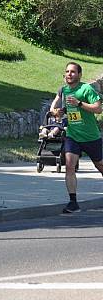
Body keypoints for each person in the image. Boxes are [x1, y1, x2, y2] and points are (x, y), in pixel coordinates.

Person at [50, 62, 103, 213]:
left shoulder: (86, 89)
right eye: (67, 71)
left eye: (73, 72)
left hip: (91, 136)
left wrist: (79, 103)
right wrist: (57, 112)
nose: (69, 74)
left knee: (100, 165)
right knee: (69, 166)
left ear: (79, 75)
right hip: (73, 136)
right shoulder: (63, 90)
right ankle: (73, 202)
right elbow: (54, 107)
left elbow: (98, 108)